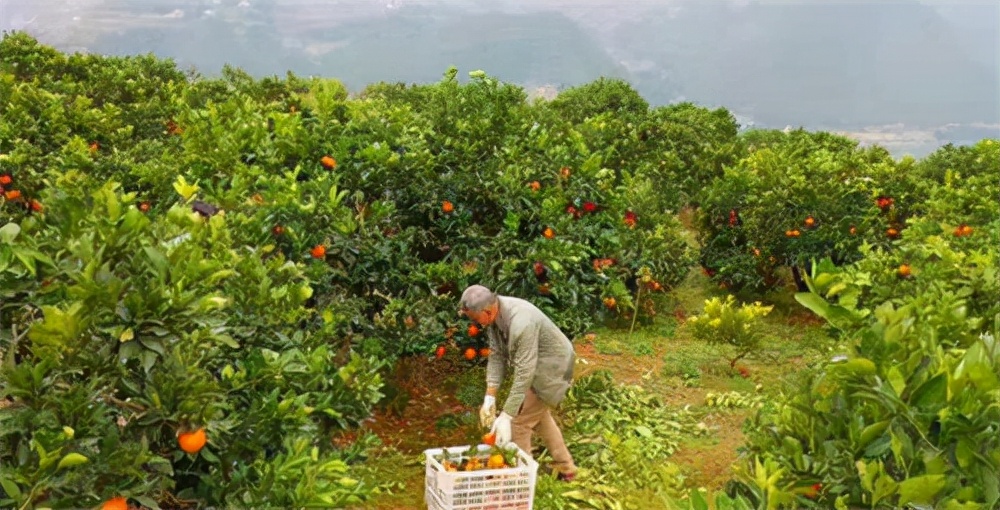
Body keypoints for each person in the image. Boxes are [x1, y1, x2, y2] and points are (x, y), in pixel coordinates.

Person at [458, 284, 577, 481]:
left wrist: (506, 415)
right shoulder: (494, 316)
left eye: (475, 319)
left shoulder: (521, 323)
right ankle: (567, 469)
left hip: (552, 369)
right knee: (539, 417)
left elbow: (524, 372)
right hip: (537, 366)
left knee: (519, 423)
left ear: (487, 311)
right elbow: (496, 356)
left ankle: (522, 479)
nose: (476, 324)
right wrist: (490, 396)